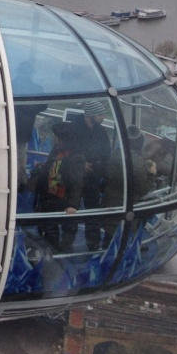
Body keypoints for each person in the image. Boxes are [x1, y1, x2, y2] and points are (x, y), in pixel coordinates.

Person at [28, 121, 85, 250]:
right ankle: (50, 247)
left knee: (68, 227)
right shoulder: (55, 152)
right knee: (48, 228)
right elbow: (49, 168)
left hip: (63, 198)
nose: (56, 141)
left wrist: (72, 205)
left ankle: (62, 251)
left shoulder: (76, 158)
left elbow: (76, 183)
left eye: (59, 139)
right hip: (49, 196)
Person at [76, 100, 112, 251]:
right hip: (76, 177)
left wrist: (101, 170)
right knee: (72, 207)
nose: (103, 117)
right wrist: (80, 164)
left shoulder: (101, 132)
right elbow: (66, 152)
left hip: (94, 178)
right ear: (90, 116)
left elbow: (106, 153)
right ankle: (64, 242)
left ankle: (93, 243)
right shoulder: (75, 130)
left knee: (93, 211)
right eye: (100, 115)